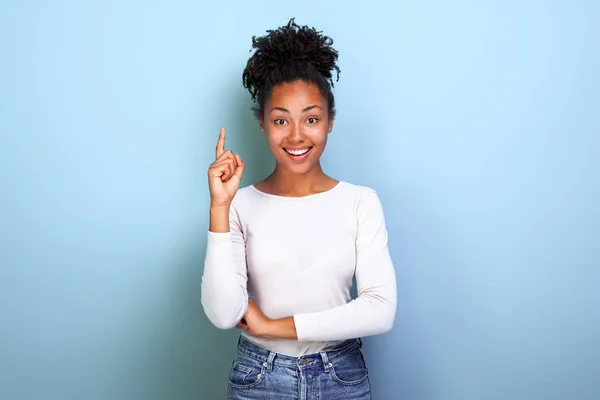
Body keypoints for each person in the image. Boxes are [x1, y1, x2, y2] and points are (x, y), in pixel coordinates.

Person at [201, 18, 397, 400]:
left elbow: (380, 310)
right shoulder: (239, 204)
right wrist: (219, 207)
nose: (296, 136)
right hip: (260, 378)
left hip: (341, 377)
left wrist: (273, 326)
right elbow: (224, 314)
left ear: (330, 122)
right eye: (280, 120)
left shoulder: (360, 202)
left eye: (311, 119)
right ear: (262, 123)